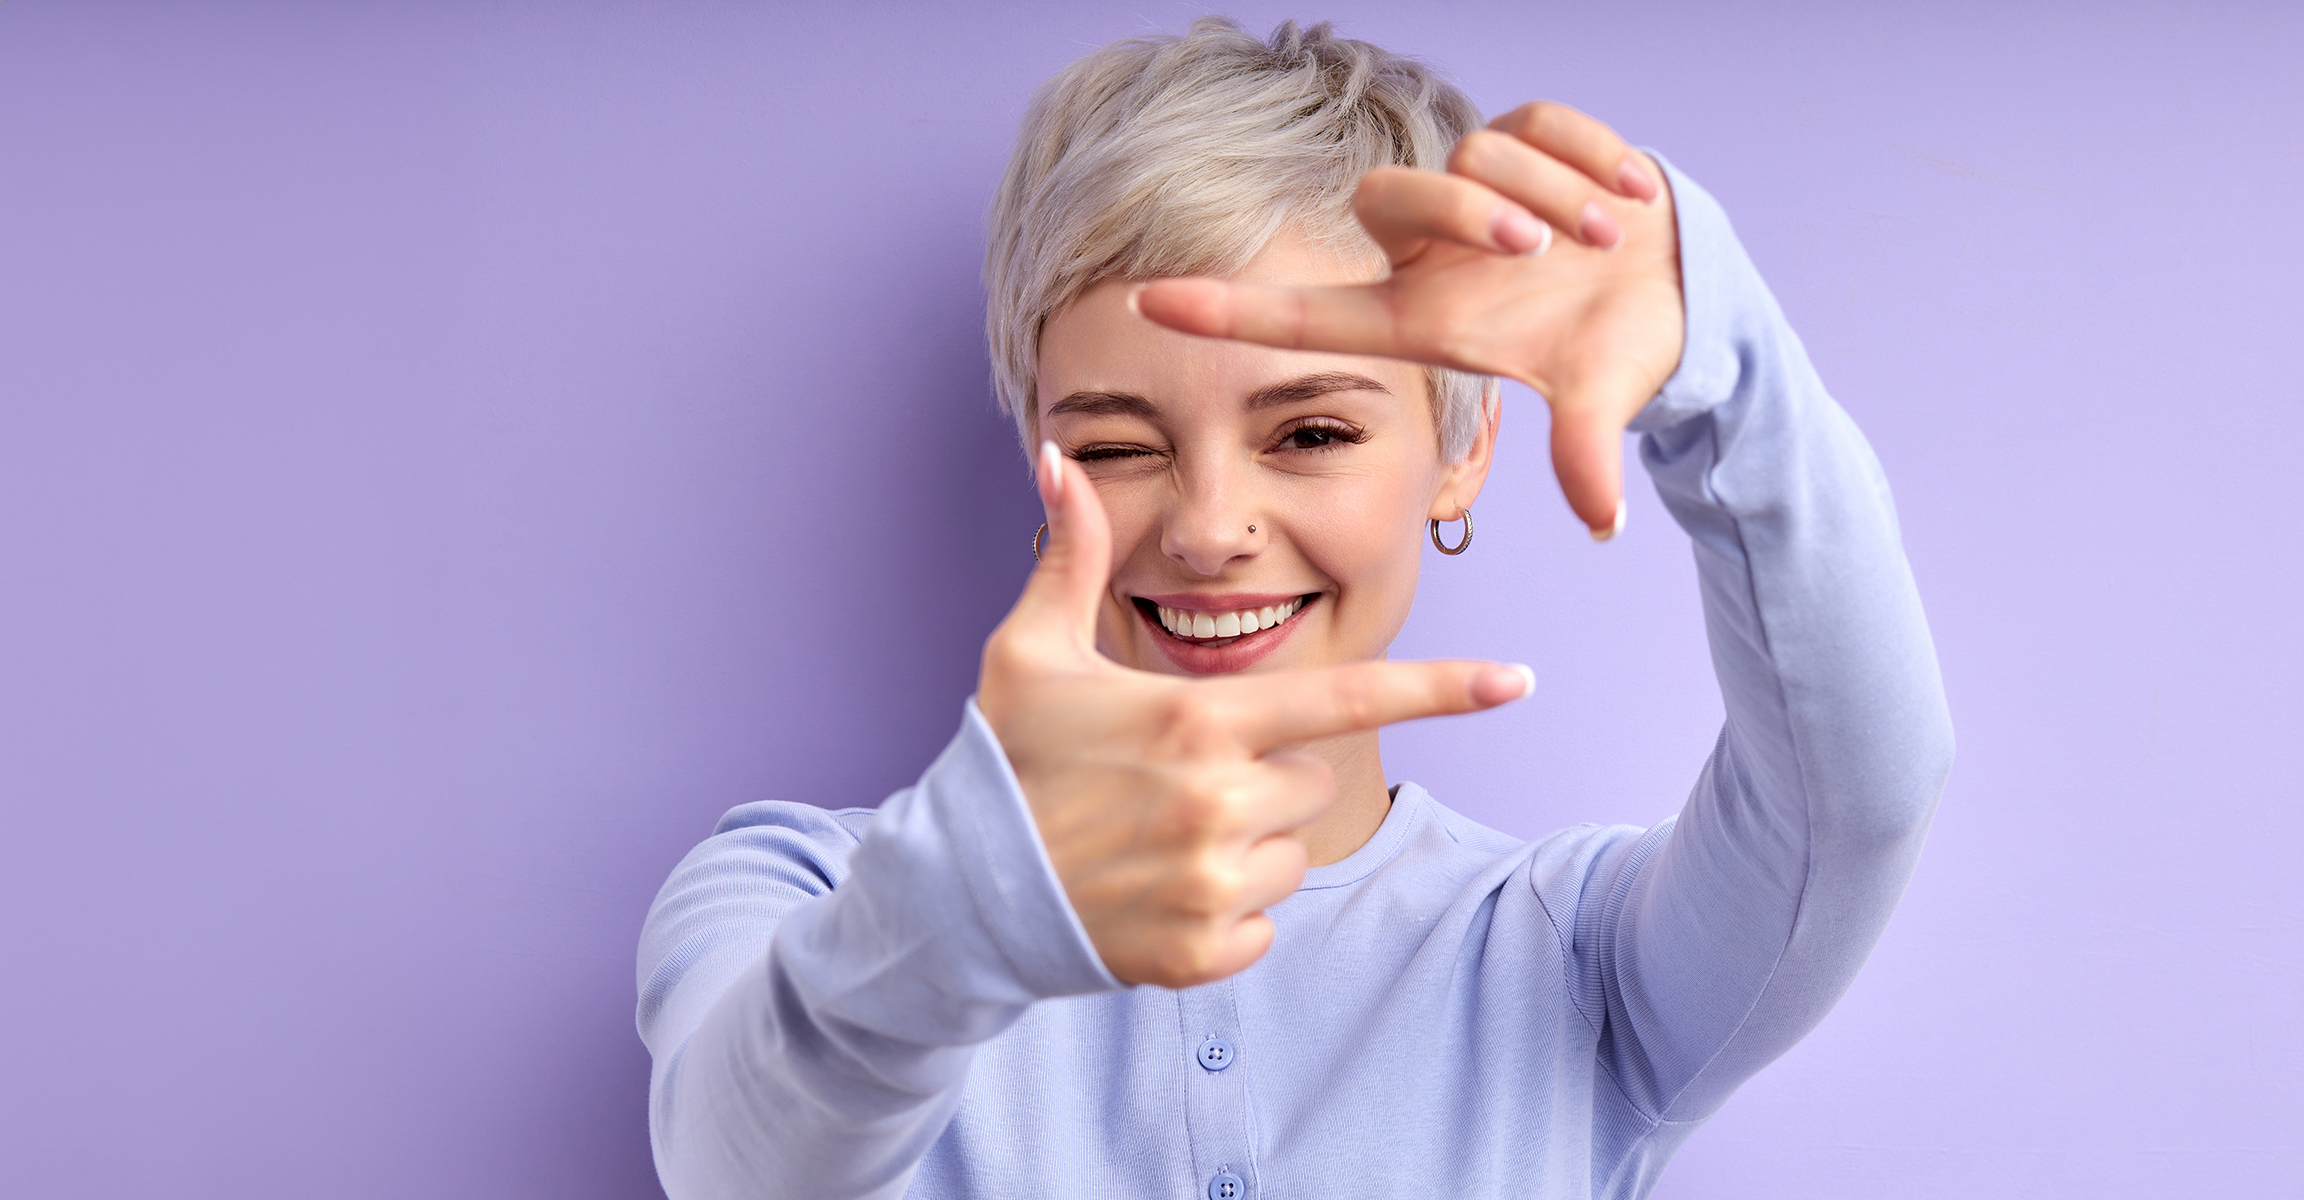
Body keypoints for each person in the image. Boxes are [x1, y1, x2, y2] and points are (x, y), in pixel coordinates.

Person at [635, 17, 1952, 1199]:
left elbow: (1857, 796)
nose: (1207, 530)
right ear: (1036, 458)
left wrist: (1725, 379)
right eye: (1110, 445)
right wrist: (956, 924)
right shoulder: (804, 886)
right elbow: (735, 1166)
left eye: (1311, 430)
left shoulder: (1574, 955)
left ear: (1462, 446)